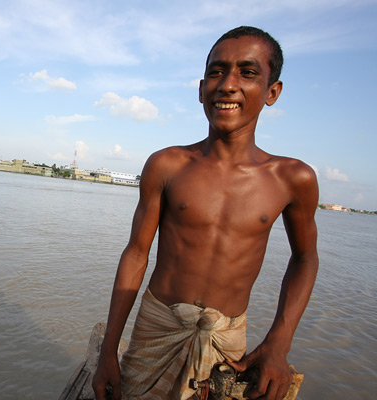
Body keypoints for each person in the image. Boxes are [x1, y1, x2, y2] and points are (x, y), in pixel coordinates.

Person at [92, 26, 318, 400]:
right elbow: (136, 253)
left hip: (225, 336)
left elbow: (306, 258)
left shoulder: (292, 178)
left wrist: (279, 341)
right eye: (217, 71)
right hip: (157, 326)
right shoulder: (167, 165)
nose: (228, 84)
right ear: (201, 89)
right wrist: (108, 351)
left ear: (272, 91)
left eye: (247, 72)